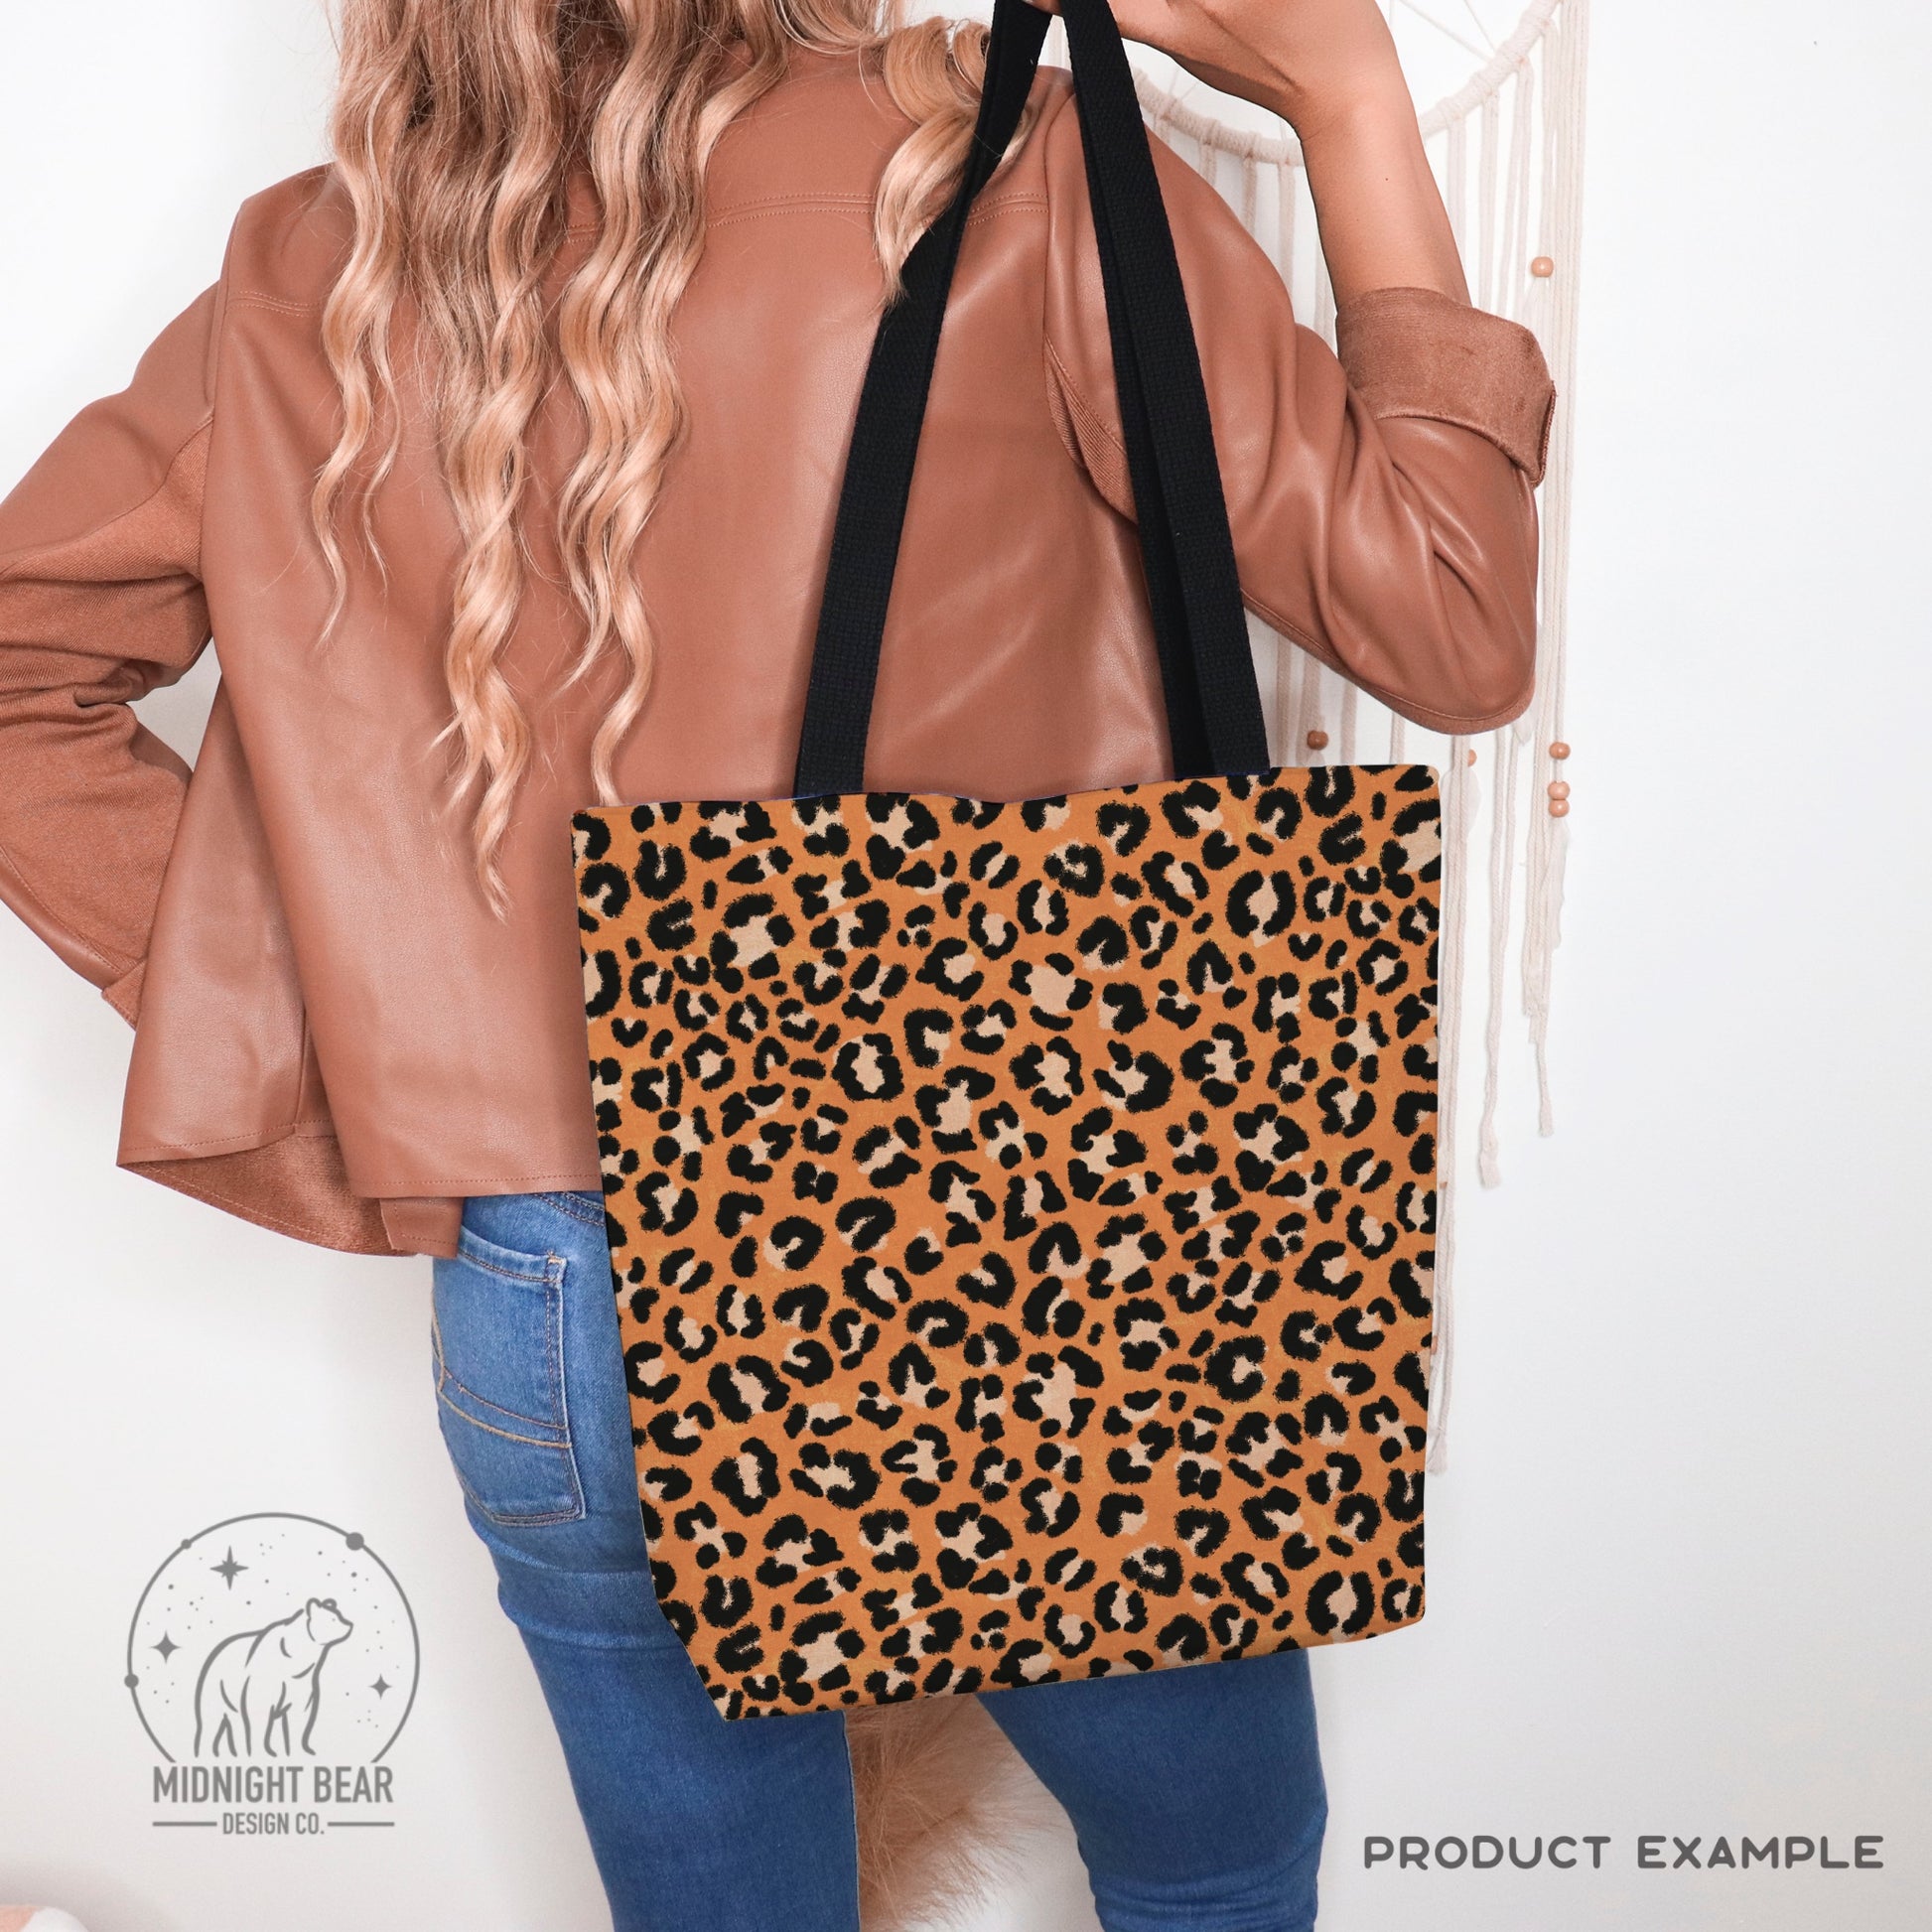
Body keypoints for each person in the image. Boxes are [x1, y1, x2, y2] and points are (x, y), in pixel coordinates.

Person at [0, 0, 1552, 1926]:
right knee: (1211, 1867)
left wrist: (334, 1026)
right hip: (1012, 1236)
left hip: (549, 1283)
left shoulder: (321, 262)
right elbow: (1452, 618)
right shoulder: (1005, 169)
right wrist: (1345, 94)